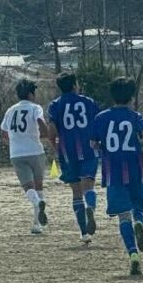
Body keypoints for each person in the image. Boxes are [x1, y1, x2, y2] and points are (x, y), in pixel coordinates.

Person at [89, 77, 143, 277]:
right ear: (131, 96)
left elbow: (92, 143)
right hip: (135, 166)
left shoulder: (101, 118)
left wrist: (101, 147)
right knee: (139, 205)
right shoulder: (135, 116)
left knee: (122, 214)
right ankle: (140, 224)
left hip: (113, 170)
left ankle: (133, 254)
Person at [47, 72, 100, 243]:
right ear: (75, 85)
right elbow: (97, 124)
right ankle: (90, 207)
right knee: (89, 186)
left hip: (68, 153)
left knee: (76, 193)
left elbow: (52, 133)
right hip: (89, 149)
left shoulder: (55, 105)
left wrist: (56, 148)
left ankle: (84, 233)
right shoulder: (89, 102)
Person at [0, 79, 51, 235]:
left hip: (17, 153)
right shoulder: (35, 107)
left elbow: (3, 132)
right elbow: (40, 122)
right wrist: (45, 133)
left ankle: (37, 203)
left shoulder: (10, 110)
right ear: (30, 94)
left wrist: (13, 142)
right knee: (38, 186)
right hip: (35, 150)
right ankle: (36, 224)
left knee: (28, 187)